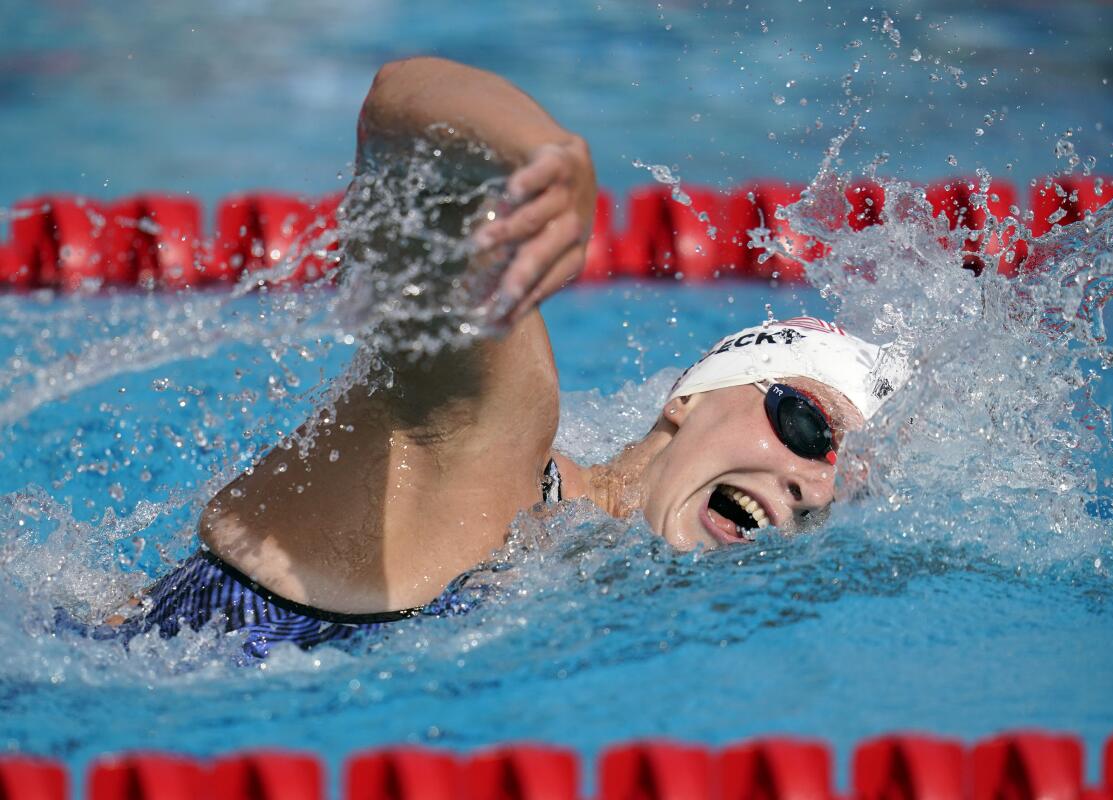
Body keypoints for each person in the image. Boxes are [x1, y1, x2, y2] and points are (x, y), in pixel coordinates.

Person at [111, 57, 905, 659]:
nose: (814, 486)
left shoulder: (591, 594)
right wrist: (543, 153)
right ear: (689, 398)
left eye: (836, 500)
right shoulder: (495, 444)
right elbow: (402, 104)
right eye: (807, 425)